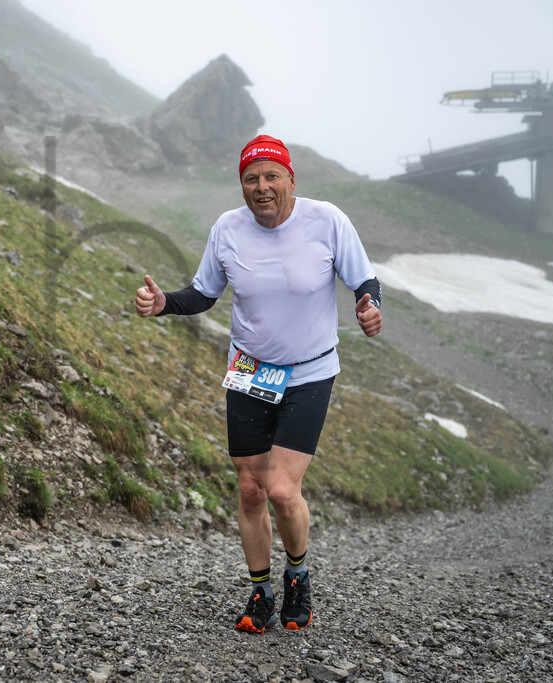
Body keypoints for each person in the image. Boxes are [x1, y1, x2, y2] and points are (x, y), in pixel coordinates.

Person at [134, 135, 382, 633]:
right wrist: (165, 305)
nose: (262, 187)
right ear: (242, 186)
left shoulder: (327, 221)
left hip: (310, 370)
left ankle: (298, 576)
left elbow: (364, 280)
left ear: (292, 179)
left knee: (283, 490)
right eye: (251, 179)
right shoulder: (228, 228)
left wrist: (369, 307)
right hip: (249, 370)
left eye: (272, 176)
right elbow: (204, 293)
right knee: (250, 489)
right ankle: (260, 590)